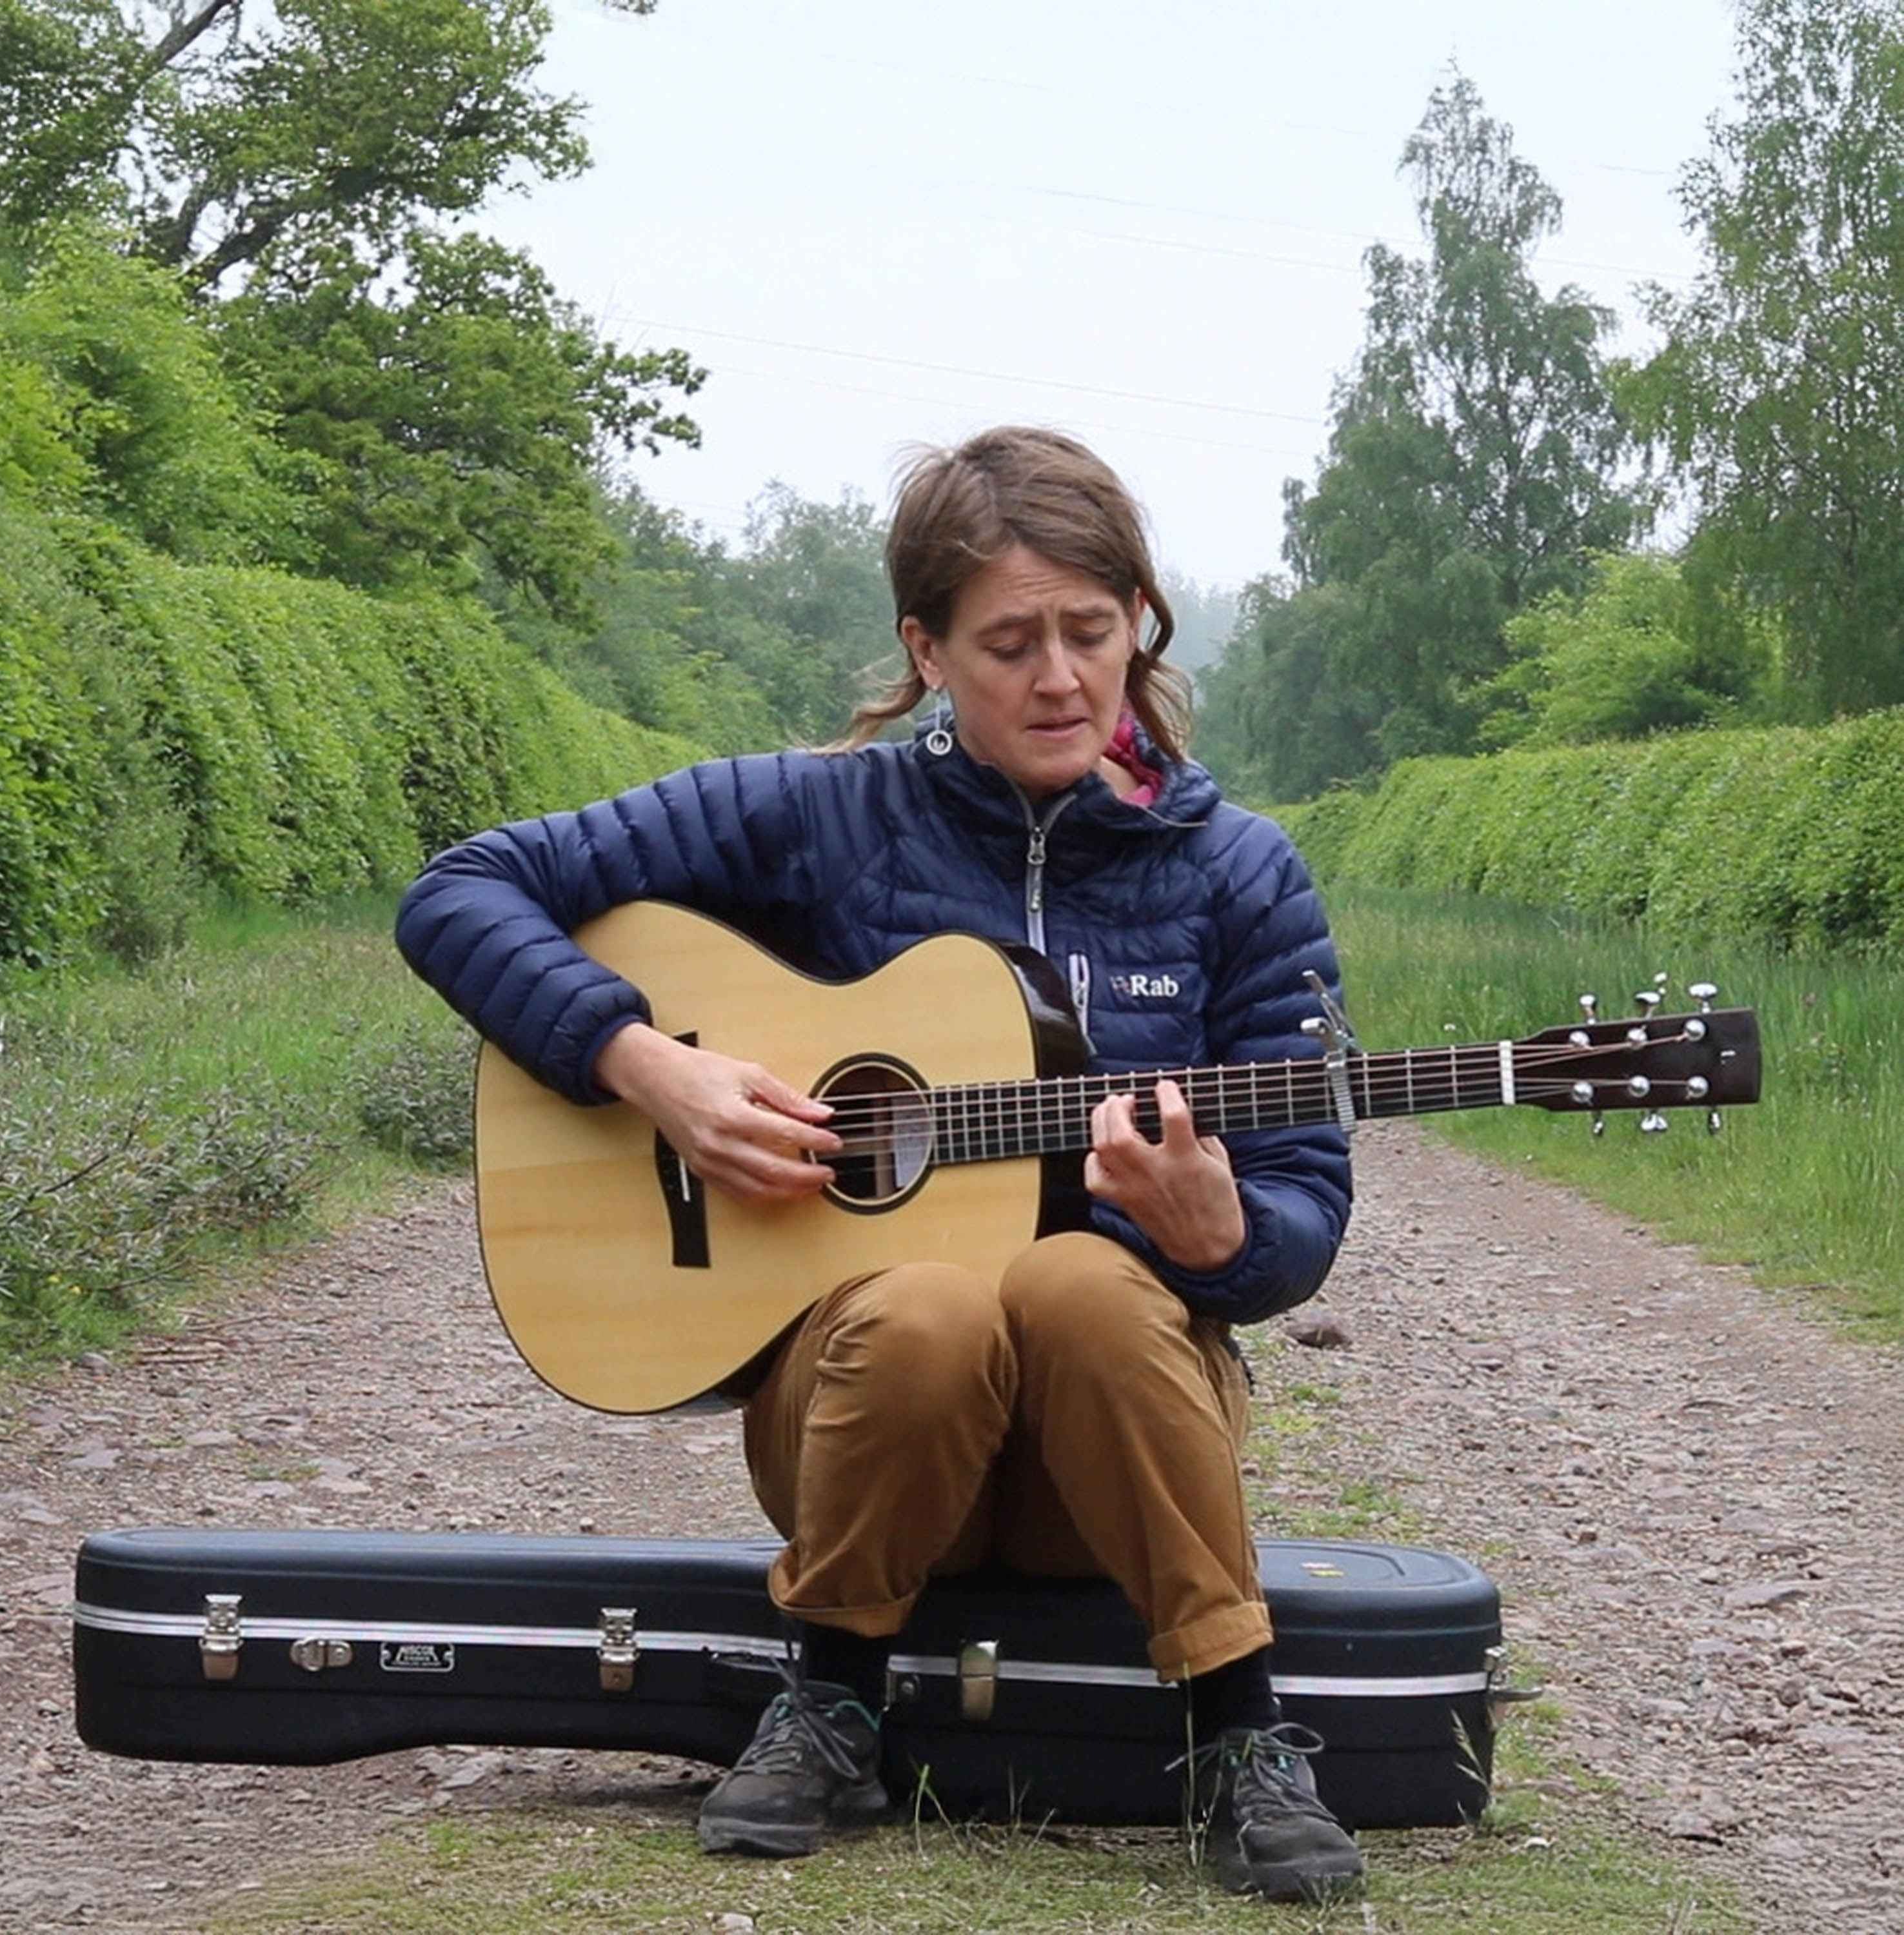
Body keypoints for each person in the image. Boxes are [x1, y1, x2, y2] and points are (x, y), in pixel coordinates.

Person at [395, 426, 1364, 1903]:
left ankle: (1238, 1730)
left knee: (1081, 1282)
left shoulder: (1240, 872)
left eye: (1091, 634)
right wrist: (649, 1069)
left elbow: (1301, 1216)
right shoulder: (817, 815)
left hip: (1113, 1466)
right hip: (866, 1443)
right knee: (928, 1301)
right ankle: (832, 1696)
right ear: (925, 648)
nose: (1059, 679)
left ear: (1139, 627)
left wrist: (1227, 1234)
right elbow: (462, 892)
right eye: (1009, 643)